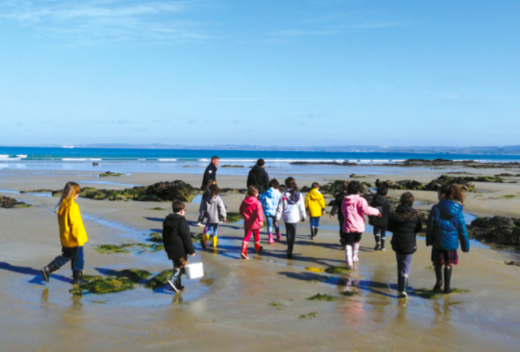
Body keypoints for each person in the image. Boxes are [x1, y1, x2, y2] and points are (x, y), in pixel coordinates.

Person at [40, 182, 88, 285]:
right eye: (77, 192)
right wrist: (78, 239)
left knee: (67, 256)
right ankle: (77, 278)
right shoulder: (72, 206)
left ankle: (49, 269)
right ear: (73, 194)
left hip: (65, 238)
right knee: (78, 258)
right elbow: (74, 224)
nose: (78, 195)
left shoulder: (62, 205)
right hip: (74, 238)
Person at [426, 184, 470, 294]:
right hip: (451, 243)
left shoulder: (435, 208)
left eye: (438, 194)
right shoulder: (458, 211)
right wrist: (465, 245)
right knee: (448, 264)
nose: (438, 197)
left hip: (438, 242)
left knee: (438, 263)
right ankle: (447, 288)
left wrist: (429, 240)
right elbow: (463, 230)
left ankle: (439, 280)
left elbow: (430, 227)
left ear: (443, 195)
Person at [388, 192, 422, 298]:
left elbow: (390, 227)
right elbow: (419, 228)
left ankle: (400, 285)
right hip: (409, 242)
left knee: (400, 262)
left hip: (398, 241)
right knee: (406, 265)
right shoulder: (416, 215)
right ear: (412, 202)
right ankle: (403, 289)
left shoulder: (395, 213)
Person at [341, 181, 381, 268]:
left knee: (348, 243)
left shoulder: (345, 199)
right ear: (358, 191)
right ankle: (354, 257)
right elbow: (366, 210)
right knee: (356, 241)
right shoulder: (361, 200)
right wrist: (377, 211)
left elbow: (343, 210)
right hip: (358, 225)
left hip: (348, 225)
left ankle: (349, 261)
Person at [163, 200, 196, 293]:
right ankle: (172, 280)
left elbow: (164, 235)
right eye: (185, 211)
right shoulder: (182, 221)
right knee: (183, 265)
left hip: (170, 248)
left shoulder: (167, 220)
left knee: (176, 265)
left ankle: (178, 286)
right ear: (182, 211)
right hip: (180, 248)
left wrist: (167, 248)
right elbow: (186, 237)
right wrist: (191, 251)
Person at [276, 178, 306, 259]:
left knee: (288, 233)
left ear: (286, 185)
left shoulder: (283, 195)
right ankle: (290, 249)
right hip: (295, 217)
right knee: (292, 234)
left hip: (286, 217)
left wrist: (277, 218)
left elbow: (280, 207)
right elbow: (302, 207)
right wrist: (304, 216)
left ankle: (289, 248)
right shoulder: (299, 195)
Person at [239, 186, 264, 259]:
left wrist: (244, 216)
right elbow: (259, 212)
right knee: (256, 236)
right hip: (255, 223)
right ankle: (257, 249)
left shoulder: (244, 201)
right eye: (257, 193)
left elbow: (241, 210)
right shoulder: (257, 202)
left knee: (246, 237)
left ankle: (243, 251)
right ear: (255, 193)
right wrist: (261, 220)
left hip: (247, 223)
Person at [200, 184, 227, 250]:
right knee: (215, 231)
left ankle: (204, 239)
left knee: (209, 230)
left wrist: (202, 216)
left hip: (209, 218)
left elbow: (203, 208)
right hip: (217, 219)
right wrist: (224, 216)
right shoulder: (218, 199)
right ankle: (214, 245)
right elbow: (222, 208)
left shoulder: (207, 199)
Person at [369, 184, 392, 251]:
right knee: (383, 231)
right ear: (386, 194)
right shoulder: (387, 202)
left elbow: (370, 209)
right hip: (385, 219)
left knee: (376, 230)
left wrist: (370, 217)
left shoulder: (374, 200)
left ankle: (377, 241)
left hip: (375, 219)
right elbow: (390, 211)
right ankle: (383, 246)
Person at [260, 178, 282, 244]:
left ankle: (270, 238)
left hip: (267, 211)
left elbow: (262, 201)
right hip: (275, 211)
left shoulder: (266, 192)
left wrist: (261, 207)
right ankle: (278, 235)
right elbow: (280, 202)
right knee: (276, 223)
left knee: (269, 225)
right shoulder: (278, 193)